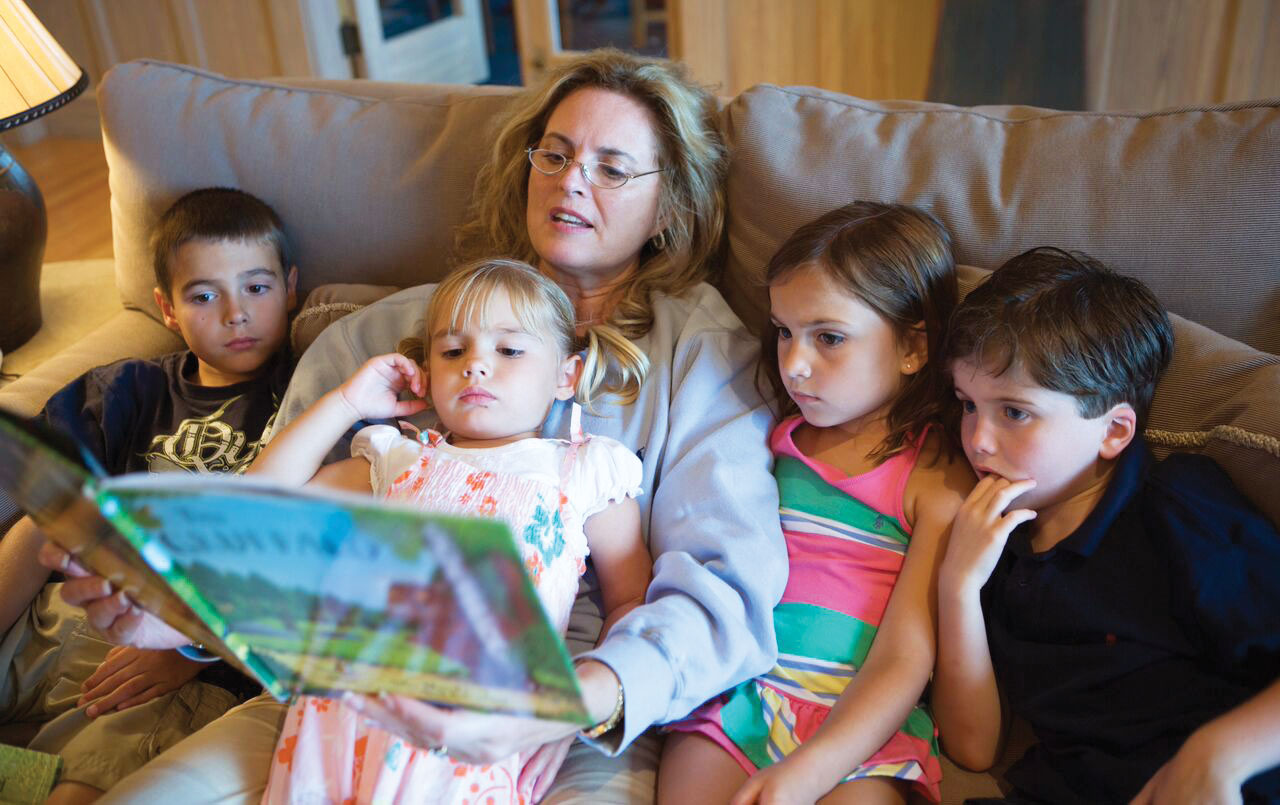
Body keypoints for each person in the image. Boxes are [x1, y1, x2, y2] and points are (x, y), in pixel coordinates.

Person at [49, 48, 786, 804]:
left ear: (668, 205)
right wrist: (180, 611)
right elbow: (274, 520)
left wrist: (572, 697)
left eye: (611, 167)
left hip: (564, 717)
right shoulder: (399, 330)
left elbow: (723, 592)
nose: (570, 180)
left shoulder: (702, 353)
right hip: (345, 696)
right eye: (556, 155)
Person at [249, 258, 652, 804]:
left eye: (509, 350)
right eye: (453, 351)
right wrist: (346, 403)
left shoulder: (583, 472)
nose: (476, 367)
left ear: (566, 376)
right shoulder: (397, 458)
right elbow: (262, 502)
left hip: (477, 727)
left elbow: (631, 601)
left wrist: (571, 705)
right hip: (341, 717)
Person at [933, 247, 1280, 803]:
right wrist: (958, 587)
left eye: (1014, 412)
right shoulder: (994, 537)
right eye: (967, 404)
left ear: (1114, 431)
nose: (977, 438)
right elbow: (974, 749)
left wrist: (1217, 753)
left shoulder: (1175, 507)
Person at [660, 201, 974, 804]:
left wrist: (814, 768)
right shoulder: (765, 438)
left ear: (913, 348)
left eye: (828, 337)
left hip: (861, 729)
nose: (794, 366)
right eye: (783, 331)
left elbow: (907, 657)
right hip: (739, 703)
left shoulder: (934, 478)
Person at [2, 187, 296, 803]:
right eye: (204, 295)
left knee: (89, 782)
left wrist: (194, 656)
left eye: (257, 287)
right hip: (61, 615)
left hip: (179, 666)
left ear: (291, 288)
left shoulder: (300, 405)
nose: (236, 313)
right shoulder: (126, 391)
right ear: (167, 308)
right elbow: (43, 522)